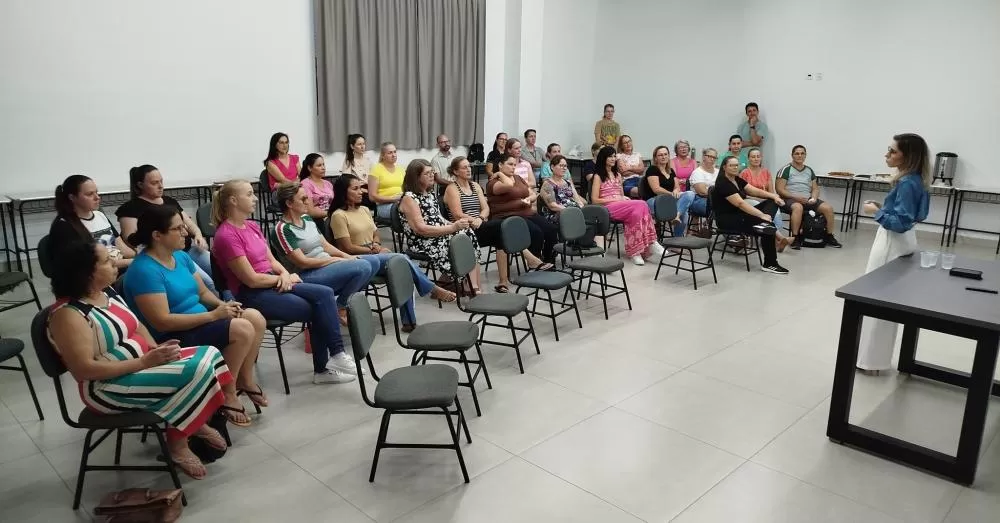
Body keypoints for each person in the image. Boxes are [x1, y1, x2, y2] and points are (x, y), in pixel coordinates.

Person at [48, 240, 231, 479]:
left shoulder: (106, 293)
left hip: (140, 366)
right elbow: (85, 370)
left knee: (211, 355)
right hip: (107, 389)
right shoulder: (68, 315)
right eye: (106, 261)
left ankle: (187, 420)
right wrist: (145, 362)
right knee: (196, 369)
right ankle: (179, 441)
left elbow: (138, 326)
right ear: (85, 272)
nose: (115, 263)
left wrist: (156, 349)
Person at [122, 205, 266, 421]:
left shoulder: (180, 256)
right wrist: (214, 315)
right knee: (242, 328)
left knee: (254, 317)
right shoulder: (144, 270)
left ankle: (244, 379)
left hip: (200, 322)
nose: (186, 232)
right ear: (157, 235)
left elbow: (202, 292)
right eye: (178, 229)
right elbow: (162, 322)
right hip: (172, 337)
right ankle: (227, 393)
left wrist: (223, 307)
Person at [210, 180, 356, 385]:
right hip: (252, 293)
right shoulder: (226, 235)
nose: (255, 198)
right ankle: (325, 366)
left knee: (324, 294)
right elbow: (250, 279)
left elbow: (271, 260)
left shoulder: (252, 226)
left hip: (274, 282)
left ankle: (337, 355)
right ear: (233, 200)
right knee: (317, 307)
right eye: (250, 194)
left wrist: (285, 275)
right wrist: (281, 278)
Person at [327, 174, 457, 331]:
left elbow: (375, 233)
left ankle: (409, 322)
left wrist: (376, 245)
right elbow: (346, 247)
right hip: (356, 259)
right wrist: (372, 249)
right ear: (343, 192)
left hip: (374, 252)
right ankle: (431, 288)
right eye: (355, 189)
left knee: (401, 268)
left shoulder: (364, 210)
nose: (361, 191)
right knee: (401, 259)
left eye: (361, 187)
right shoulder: (338, 215)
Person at [856, 134, 931, 375]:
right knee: (886, 300)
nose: (887, 155)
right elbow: (912, 215)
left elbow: (899, 223)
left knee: (876, 298)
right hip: (902, 242)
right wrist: (882, 207)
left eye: (892, 152)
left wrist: (874, 213)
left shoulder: (908, 183)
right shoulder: (916, 181)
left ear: (907, 157)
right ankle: (873, 359)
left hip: (892, 241)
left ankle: (869, 360)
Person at [273, 182, 373, 325]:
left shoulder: (307, 219)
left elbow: (325, 245)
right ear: (289, 203)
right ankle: (340, 306)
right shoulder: (283, 229)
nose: (309, 202)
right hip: (306, 275)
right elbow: (303, 262)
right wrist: (335, 261)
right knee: (363, 267)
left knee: (372, 262)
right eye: (303, 199)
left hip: (325, 266)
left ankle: (340, 301)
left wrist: (347, 257)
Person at [457, 155, 555, 292]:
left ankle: (506, 280)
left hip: (489, 221)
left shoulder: (475, 186)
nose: (469, 169)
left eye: (515, 165)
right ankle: (529, 264)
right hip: (498, 218)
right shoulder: (492, 182)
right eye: (510, 164)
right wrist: (498, 174)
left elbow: (486, 208)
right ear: (500, 165)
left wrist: (481, 217)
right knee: (520, 231)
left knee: (549, 229)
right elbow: (457, 214)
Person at [116, 165, 218, 293]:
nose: (160, 186)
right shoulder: (130, 208)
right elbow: (131, 239)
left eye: (161, 181)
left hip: (189, 249)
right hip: (168, 255)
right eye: (154, 183)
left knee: (219, 269)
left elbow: (188, 223)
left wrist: (198, 234)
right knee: (206, 283)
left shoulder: (169, 201)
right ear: (140, 185)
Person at [399, 159, 483, 294]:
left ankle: (473, 285)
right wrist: (452, 228)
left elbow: (439, 219)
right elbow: (421, 229)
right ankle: (469, 286)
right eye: (427, 173)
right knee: (459, 239)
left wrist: (457, 225)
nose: (432, 175)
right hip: (423, 242)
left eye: (432, 172)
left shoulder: (430, 194)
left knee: (467, 233)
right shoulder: (409, 198)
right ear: (416, 177)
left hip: (438, 234)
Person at [711, 156, 789, 274]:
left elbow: (753, 190)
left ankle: (763, 224)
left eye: (736, 165)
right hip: (728, 219)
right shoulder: (723, 183)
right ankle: (770, 264)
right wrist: (761, 215)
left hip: (741, 215)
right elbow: (740, 203)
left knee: (771, 202)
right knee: (768, 228)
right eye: (731, 165)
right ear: (724, 167)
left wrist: (773, 196)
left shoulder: (736, 179)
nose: (735, 167)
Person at [590, 146, 664, 265]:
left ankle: (636, 252)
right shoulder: (598, 176)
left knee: (636, 213)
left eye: (614, 156)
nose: (613, 159)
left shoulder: (618, 175)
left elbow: (621, 194)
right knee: (642, 203)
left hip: (621, 205)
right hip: (606, 207)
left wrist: (622, 197)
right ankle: (651, 242)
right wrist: (614, 199)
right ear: (603, 158)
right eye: (610, 156)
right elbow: (594, 200)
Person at [50, 174, 135, 271]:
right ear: (72, 197)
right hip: (98, 277)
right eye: (90, 194)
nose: (97, 197)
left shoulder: (99, 215)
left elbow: (122, 248)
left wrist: (141, 255)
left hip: (119, 269)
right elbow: (90, 264)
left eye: (96, 192)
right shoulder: (64, 226)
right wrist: (131, 262)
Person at [775, 145, 842, 249]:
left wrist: (814, 198)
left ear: (805, 155)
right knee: (798, 207)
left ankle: (829, 236)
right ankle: (795, 238)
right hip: (789, 199)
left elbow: (815, 188)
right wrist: (796, 198)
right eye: (797, 153)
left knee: (828, 208)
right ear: (792, 155)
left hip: (807, 199)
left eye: (802, 153)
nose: (799, 156)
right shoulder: (785, 170)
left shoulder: (809, 170)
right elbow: (780, 190)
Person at [740, 148, 792, 251]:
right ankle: (778, 239)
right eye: (753, 157)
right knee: (764, 211)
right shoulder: (744, 173)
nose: (756, 159)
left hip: (766, 200)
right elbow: (743, 194)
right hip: (750, 200)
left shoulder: (766, 172)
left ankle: (775, 239)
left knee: (775, 211)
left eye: (758, 156)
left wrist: (771, 199)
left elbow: (771, 192)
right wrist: (759, 199)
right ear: (748, 159)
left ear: (761, 158)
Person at [641, 146, 694, 237]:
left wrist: (676, 191)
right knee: (684, 213)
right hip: (655, 200)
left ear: (668, 156)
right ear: (655, 158)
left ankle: (676, 218)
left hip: (669, 200)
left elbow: (677, 187)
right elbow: (656, 189)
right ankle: (677, 233)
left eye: (665, 154)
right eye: (660, 155)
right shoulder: (652, 169)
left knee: (690, 194)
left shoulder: (670, 170)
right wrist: (671, 194)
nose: (663, 157)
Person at [539, 154, 587, 223]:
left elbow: (577, 199)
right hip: (558, 214)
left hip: (573, 212)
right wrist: (571, 211)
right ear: (552, 167)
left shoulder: (568, 182)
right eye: (561, 166)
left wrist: (581, 208)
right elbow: (553, 206)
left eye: (565, 166)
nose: (564, 168)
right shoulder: (547, 184)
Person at [368, 142, 405, 220]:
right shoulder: (376, 170)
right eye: (390, 153)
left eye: (395, 152)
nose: (393, 155)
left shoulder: (401, 169)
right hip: (384, 206)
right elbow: (372, 197)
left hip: (401, 202)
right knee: (409, 210)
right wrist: (393, 199)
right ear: (383, 155)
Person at [298, 153, 334, 218]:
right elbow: (310, 212)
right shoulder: (305, 184)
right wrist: (331, 213)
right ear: (310, 168)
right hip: (317, 219)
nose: (323, 168)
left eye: (323, 164)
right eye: (319, 165)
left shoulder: (328, 184)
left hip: (331, 216)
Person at [688, 149, 719, 217]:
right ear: (703, 157)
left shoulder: (718, 172)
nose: (712, 159)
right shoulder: (698, 172)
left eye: (714, 157)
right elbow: (702, 192)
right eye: (709, 156)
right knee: (722, 209)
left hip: (716, 199)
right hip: (700, 200)